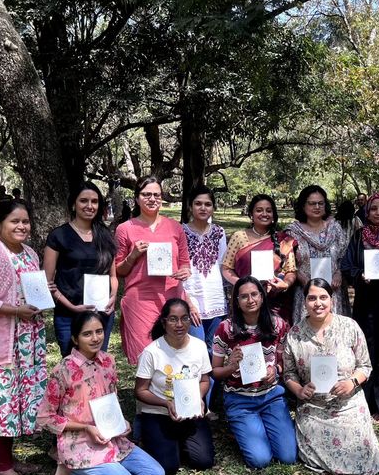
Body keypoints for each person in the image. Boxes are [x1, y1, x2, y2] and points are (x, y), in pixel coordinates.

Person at [37, 311, 165, 475]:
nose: (95, 338)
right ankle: (74, 474)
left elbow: (110, 400)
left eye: (99, 331)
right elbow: (44, 417)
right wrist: (86, 427)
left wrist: (122, 422)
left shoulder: (108, 361)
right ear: (75, 338)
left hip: (113, 439)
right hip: (81, 444)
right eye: (87, 334)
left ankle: (110, 470)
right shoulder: (63, 370)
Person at [283, 278, 379, 475]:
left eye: (323, 297)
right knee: (312, 454)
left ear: (332, 300)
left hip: (348, 403)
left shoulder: (350, 327)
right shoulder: (294, 334)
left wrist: (352, 382)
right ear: (304, 302)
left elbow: (365, 366)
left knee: (363, 455)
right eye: (312, 298)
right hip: (313, 406)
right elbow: (289, 373)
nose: (318, 303)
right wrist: (299, 390)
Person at [0, 200, 47, 475]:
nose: (21, 226)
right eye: (14, 221)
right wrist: (15, 310)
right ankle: (4, 471)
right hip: (3, 343)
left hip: (28, 341)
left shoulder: (31, 253)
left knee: (19, 400)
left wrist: (45, 295)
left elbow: (30, 288)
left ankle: (6, 461)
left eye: (25, 221)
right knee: (3, 403)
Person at [212, 276, 297, 469]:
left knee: (288, 456)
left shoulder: (278, 325)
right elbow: (215, 372)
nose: (250, 300)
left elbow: (285, 365)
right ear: (236, 301)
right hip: (240, 400)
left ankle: (262, 427)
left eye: (254, 294)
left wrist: (274, 370)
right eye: (243, 296)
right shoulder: (225, 328)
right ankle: (242, 427)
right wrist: (231, 367)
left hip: (271, 397)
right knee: (260, 460)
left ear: (262, 296)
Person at [116, 176, 195, 365]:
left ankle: (175, 394)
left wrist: (185, 271)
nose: (152, 199)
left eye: (157, 195)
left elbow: (184, 263)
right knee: (146, 357)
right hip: (140, 301)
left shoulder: (175, 227)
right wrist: (133, 255)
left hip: (171, 298)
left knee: (175, 355)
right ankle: (147, 394)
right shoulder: (125, 229)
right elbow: (119, 270)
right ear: (136, 198)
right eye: (146, 194)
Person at [135, 299, 215, 475]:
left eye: (184, 318)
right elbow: (140, 391)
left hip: (190, 413)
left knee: (204, 461)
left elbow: (204, 380)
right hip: (159, 414)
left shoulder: (199, 346)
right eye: (173, 319)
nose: (179, 324)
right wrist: (166, 403)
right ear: (163, 322)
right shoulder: (151, 352)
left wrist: (199, 398)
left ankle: (178, 441)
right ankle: (155, 438)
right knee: (168, 467)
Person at [341, 192, 379, 422]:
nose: (377, 212)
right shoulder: (359, 236)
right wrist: (360, 275)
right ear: (367, 212)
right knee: (368, 349)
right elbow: (347, 265)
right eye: (373, 209)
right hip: (366, 301)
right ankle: (370, 404)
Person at [44, 181, 117, 356]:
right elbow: (47, 282)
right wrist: (71, 306)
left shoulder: (105, 235)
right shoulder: (58, 236)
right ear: (73, 204)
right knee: (72, 368)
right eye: (84, 201)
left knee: (97, 366)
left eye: (95, 201)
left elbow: (113, 276)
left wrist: (113, 297)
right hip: (68, 316)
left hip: (100, 316)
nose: (90, 206)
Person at [182, 185, 228, 410]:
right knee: (196, 352)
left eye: (207, 204)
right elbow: (179, 268)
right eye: (198, 203)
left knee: (214, 352)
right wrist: (188, 302)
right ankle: (195, 403)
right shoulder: (180, 232)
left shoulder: (219, 232)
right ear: (190, 206)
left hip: (216, 301)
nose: (203, 207)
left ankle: (210, 404)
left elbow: (221, 265)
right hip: (191, 301)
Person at [222, 194, 297, 323]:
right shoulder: (239, 237)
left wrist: (285, 284)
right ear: (251, 214)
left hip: (276, 303)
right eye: (259, 210)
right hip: (247, 301)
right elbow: (226, 268)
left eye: (268, 210)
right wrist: (243, 285)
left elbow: (291, 270)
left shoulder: (283, 240)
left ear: (273, 215)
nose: (264, 214)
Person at [286, 185, 349, 324]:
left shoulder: (335, 228)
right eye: (312, 203)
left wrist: (339, 273)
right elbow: (288, 264)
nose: (317, 207)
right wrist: (303, 279)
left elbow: (344, 256)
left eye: (321, 203)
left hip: (333, 292)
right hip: (306, 292)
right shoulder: (292, 232)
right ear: (303, 206)